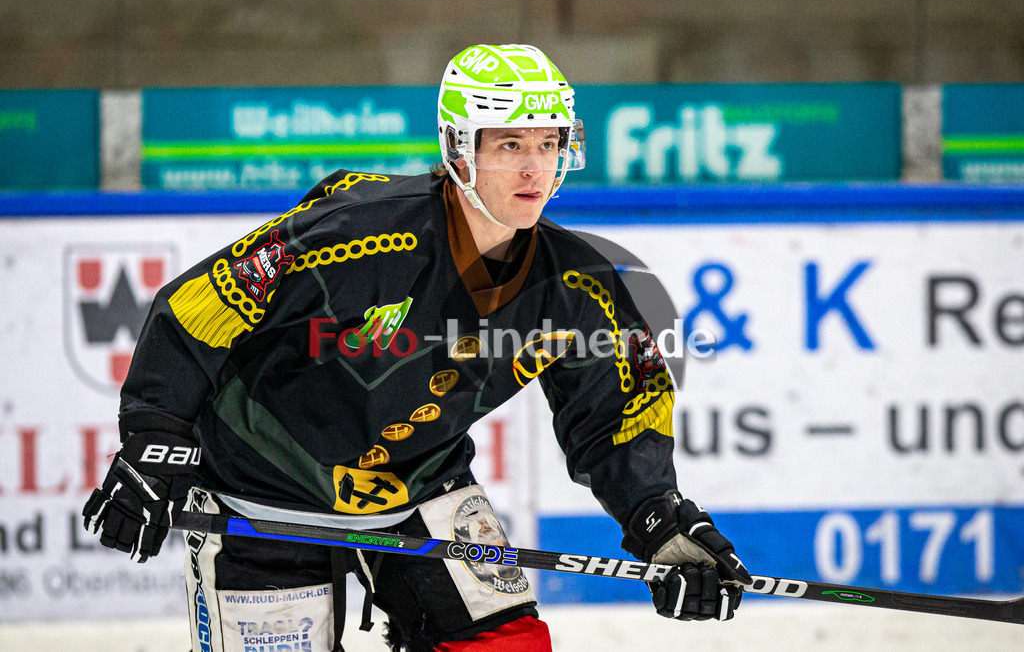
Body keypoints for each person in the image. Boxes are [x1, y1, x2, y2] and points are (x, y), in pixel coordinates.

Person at [83, 43, 751, 652]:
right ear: (459, 151)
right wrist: (153, 447)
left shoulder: (581, 285)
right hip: (260, 491)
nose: (532, 168)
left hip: (420, 488)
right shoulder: (358, 235)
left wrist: (660, 522)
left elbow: (616, 414)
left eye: (547, 144)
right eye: (508, 144)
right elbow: (194, 307)